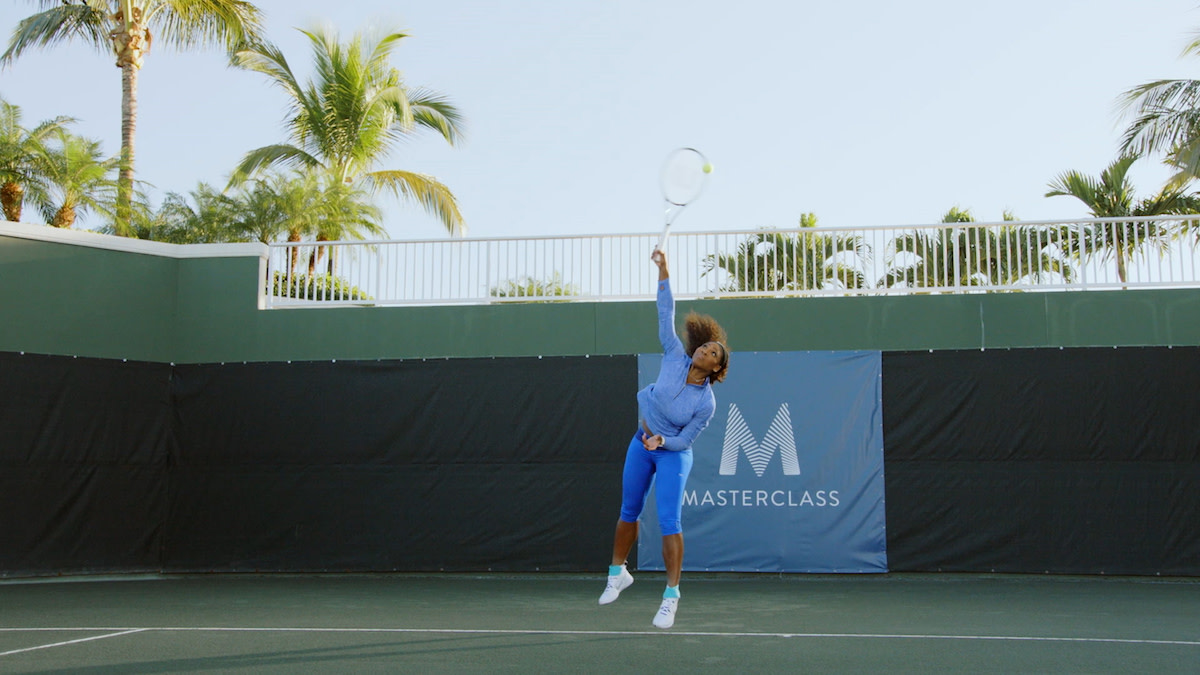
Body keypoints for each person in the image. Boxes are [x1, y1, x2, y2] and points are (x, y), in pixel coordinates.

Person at [598, 248, 730, 629]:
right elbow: (665, 311)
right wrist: (664, 270)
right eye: (707, 345)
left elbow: (687, 438)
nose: (707, 349)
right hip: (641, 443)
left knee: (669, 520)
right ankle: (617, 573)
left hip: (673, 454)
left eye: (714, 352)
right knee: (628, 510)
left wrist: (664, 443)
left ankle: (671, 596)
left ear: (717, 367)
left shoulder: (706, 403)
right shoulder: (674, 354)